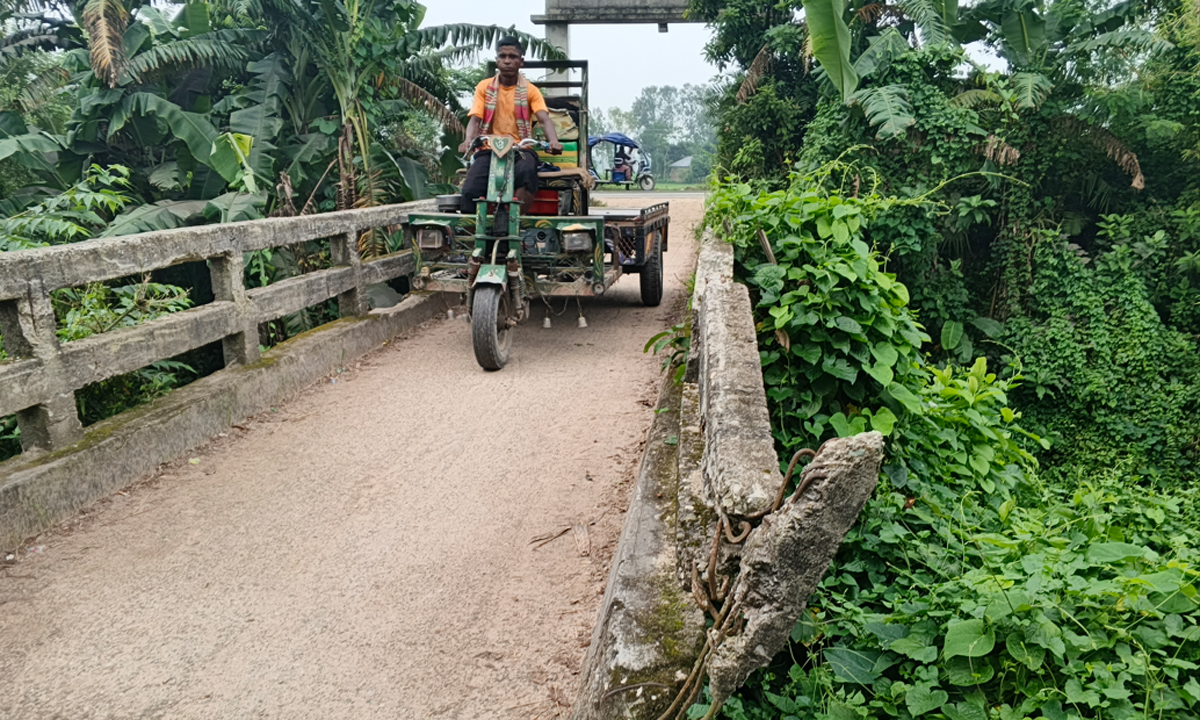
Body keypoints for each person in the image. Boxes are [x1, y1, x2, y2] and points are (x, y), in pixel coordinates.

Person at [459, 37, 563, 213]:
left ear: (521, 62)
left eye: (513, 56)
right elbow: (475, 119)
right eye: (503, 56)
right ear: (497, 61)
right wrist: (468, 140)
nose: (507, 61)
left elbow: (544, 119)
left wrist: (553, 141)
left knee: (527, 174)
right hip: (489, 148)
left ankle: (516, 220)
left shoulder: (531, 90)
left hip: (520, 149)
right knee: (470, 189)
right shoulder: (484, 87)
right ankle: (474, 230)